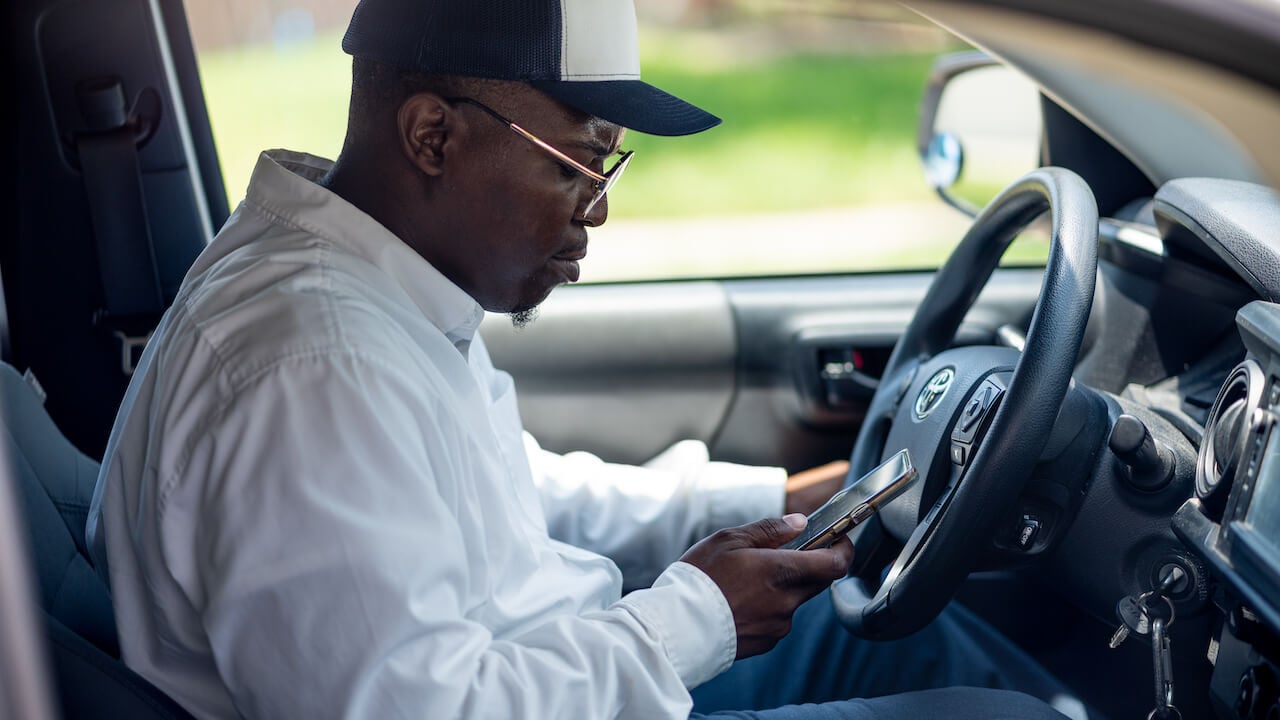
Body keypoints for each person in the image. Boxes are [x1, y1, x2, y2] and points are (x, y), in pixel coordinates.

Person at [87, 1, 1083, 718]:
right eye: (579, 161)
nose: (599, 205)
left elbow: (505, 496)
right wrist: (693, 615)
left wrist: (765, 498)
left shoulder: (362, 282)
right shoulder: (314, 372)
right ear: (432, 134)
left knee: (888, 636)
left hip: (555, 667)